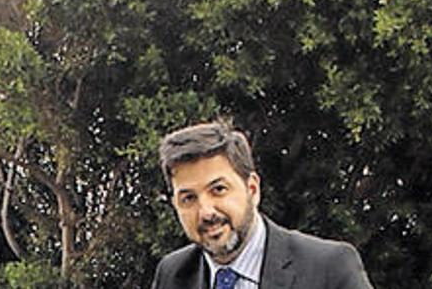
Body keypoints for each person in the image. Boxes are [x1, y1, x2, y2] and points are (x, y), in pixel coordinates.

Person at [151, 122, 373, 289]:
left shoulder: (328, 270)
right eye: (189, 198)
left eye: (218, 190)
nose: (206, 212)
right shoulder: (173, 275)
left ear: (253, 190)